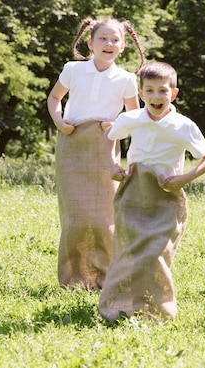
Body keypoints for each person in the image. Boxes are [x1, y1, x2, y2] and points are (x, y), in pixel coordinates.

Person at [98, 61, 205, 321]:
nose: (156, 96)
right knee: (128, 251)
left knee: (155, 254)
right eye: (149, 90)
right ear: (140, 94)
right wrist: (112, 165)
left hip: (166, 195)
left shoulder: (183, 125)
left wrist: (183, 179)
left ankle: (157, 310)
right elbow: (111, 137)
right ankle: (117, 307)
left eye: (162, 91)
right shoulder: (131, 119)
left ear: (173, 94)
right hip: (133, 192)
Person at [47, 17, 145, 290]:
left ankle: (104, 276)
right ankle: (74, 278)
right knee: (75, 217)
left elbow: (134, 117)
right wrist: (59, 121)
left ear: (123, 46)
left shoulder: (126, 79)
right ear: (90, 43)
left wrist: (117, 125)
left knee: (103, 218)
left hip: (105, 148)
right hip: (72, 145)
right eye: (103, 38)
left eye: (115, 39)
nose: (109, 43)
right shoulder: (73, 70)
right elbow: (54, 98)